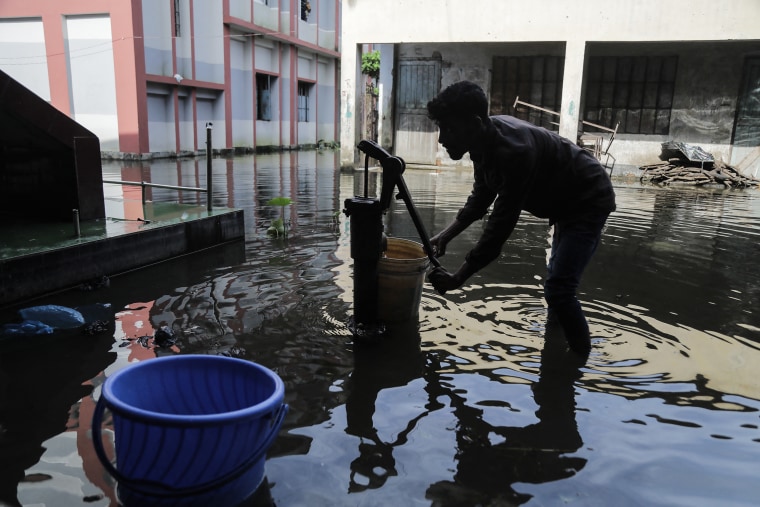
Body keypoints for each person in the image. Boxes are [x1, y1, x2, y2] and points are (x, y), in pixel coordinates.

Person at [426, 80, 616, 359]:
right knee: (557, 287)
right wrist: (446, 234)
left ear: (475, 123)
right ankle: (554, 351)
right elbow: (481, 197)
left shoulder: (514, 152)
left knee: (560, 290)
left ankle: (577, 364)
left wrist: (458, 278)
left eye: (449, 129)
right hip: (565, 201)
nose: (442, 138)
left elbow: (498, 230)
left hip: (588, 198)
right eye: (441, 128)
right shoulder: (482, 143)